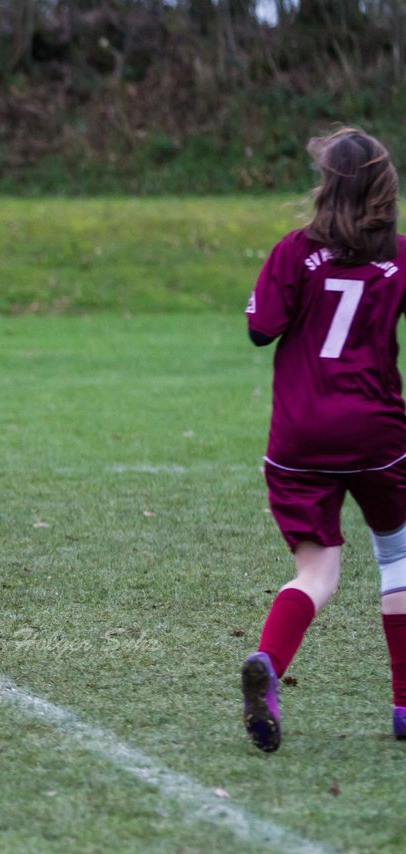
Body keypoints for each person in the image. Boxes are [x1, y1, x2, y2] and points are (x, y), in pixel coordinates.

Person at [241, 127, 406, 752]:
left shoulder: (293, 251)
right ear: (385, 190)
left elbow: (261, 331)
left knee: (316, 571)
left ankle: (269, 663)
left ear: (325, 186)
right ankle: (404, 704)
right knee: (398, 558)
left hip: (299, 438)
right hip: (376, 435)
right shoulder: (400, 256)